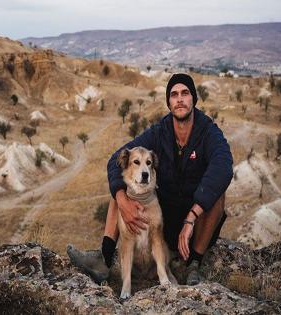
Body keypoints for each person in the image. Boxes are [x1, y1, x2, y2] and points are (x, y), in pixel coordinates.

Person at [67, 73, 233, 285]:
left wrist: (192, 216)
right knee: (123, 185)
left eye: (185, 93)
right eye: (174, 95)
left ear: (194, 99)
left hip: (194, 226)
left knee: (217, 195)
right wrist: (123, 201)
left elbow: (224, 167)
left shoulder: (208, 132)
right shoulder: (159, 133)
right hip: (163, 221)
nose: (179, 99)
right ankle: (105, 259)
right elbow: (116, 160)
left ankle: (193, 265)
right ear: (168, 102)